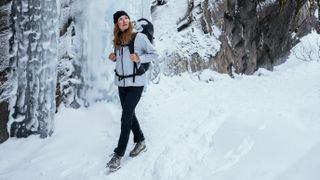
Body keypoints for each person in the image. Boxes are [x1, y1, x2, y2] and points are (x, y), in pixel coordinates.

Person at [106, 10, 158, 171]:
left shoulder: (139, 38)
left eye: (126, 18)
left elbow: (154, 54)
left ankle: (118, 155)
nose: (124, 21)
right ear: (116, 24)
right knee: (130, 114)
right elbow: (122, 59)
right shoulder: (118, 40)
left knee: (125, 117)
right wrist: (114, 56)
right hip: (122, 84)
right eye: (120, 19)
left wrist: (140, 58)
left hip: (136, 83)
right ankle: (140, 140)